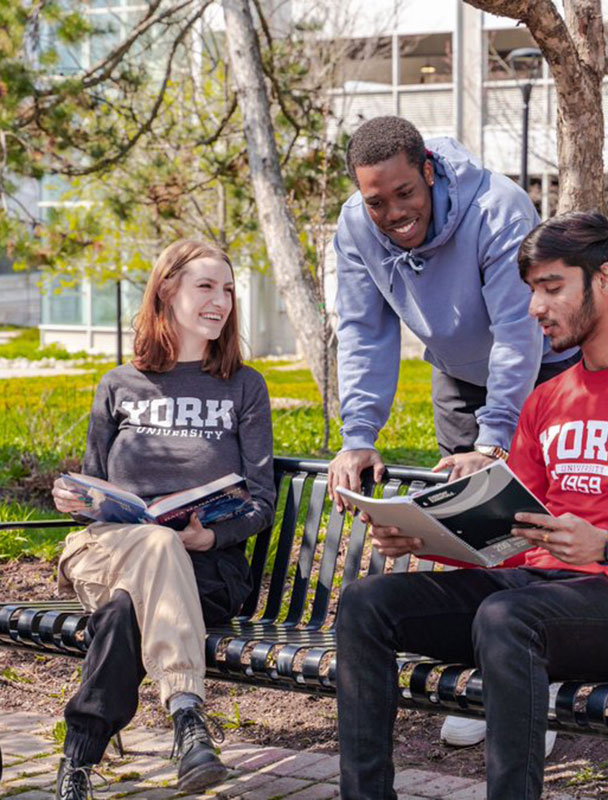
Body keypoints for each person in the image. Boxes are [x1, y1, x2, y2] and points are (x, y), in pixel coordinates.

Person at [334, 211, 608, 799]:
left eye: (551, 287)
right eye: (531, 291)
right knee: (367, 603)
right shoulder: (546, 402)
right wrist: (429, 539)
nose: (535, 307)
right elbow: (516, 540)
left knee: (506, 618)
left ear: (603, 280)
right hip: (537, 597)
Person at [328, 115, 578, 747]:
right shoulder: (356, 226)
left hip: (544, 367)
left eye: (405, 193)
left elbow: (518, 332)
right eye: (376, 200)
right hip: (456, 373)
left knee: (532, 521)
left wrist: (495, 442)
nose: (392, 212)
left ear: (430, 172)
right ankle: (490, 677)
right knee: (471, 529)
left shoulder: (498, 209)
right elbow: (364, 330)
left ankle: (536, 688)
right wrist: (359, 432)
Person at [51, 240, 276, 799]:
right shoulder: (119, 385)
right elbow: (95, 485)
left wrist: (213, 534)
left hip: (208, 568)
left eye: (227, 289)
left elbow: (262, 504)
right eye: (206, 286)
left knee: (129, 605)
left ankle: (76, 762)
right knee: (152, 546)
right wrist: (75, 499)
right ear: (166, 291)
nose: (220, 300)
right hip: (109, 551)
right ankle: (188, 719)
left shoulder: (244, 387)